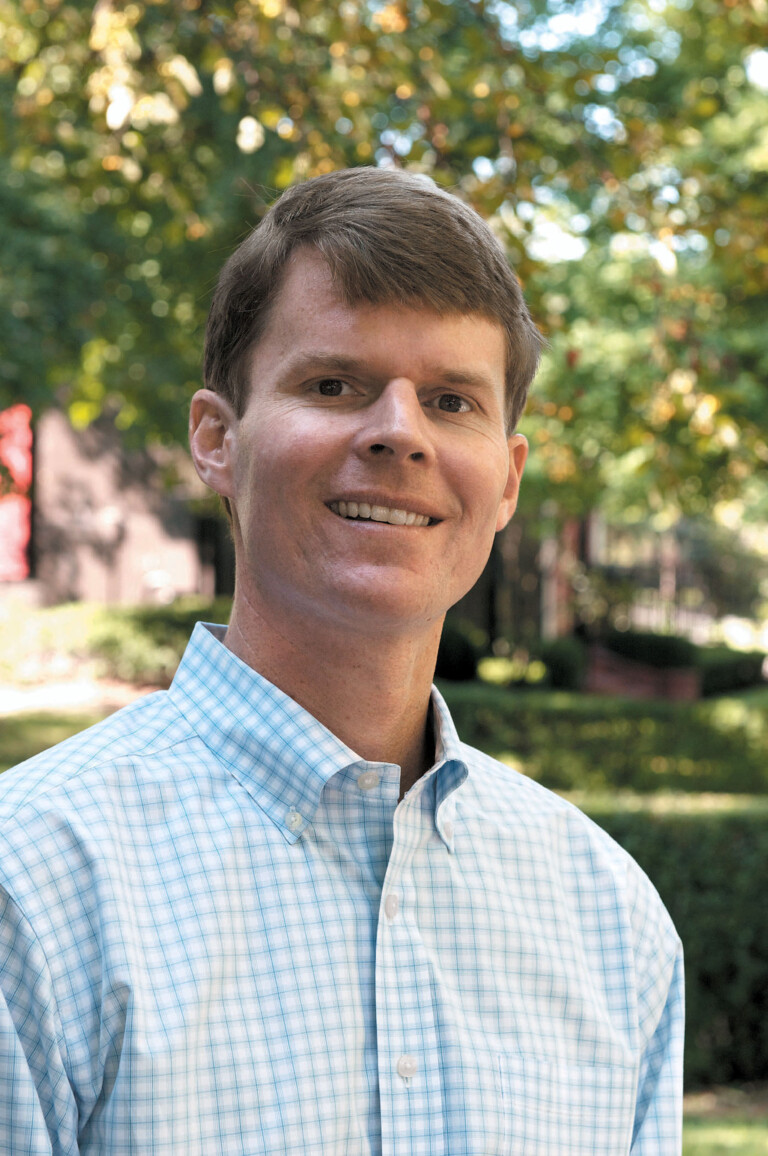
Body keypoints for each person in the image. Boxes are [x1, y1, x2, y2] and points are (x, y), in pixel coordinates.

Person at [0, 167, 683, 1155]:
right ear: (216, 439)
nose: (399, 432)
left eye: (451, 401)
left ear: (508, 480)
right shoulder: (32, 886)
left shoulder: (612, 922)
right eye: (335, 385)